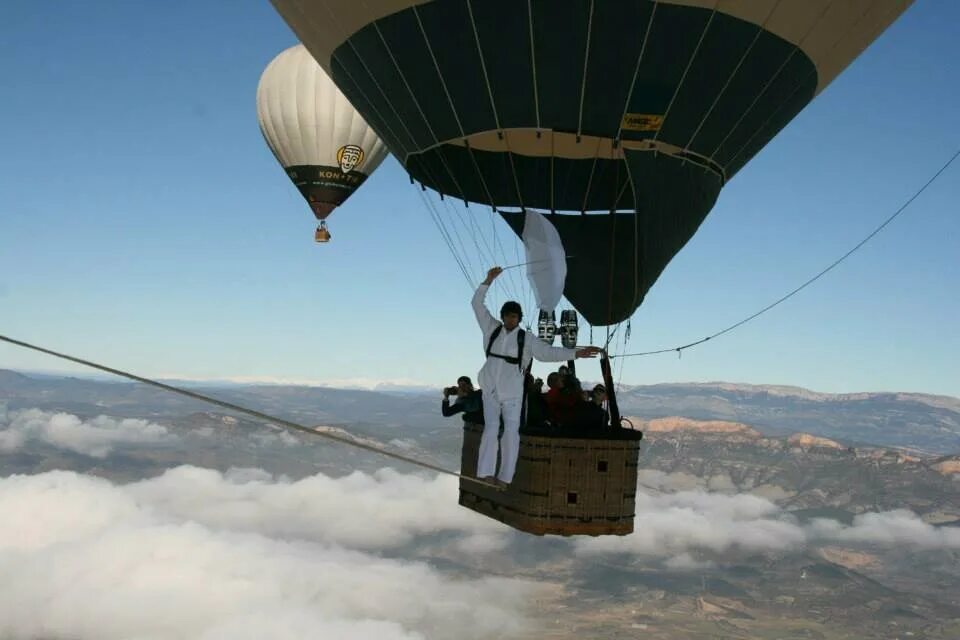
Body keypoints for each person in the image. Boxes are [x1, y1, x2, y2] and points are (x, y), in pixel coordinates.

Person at [472, 266, 602, 487]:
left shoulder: (527, 339)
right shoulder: (491, 329)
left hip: (512, 393)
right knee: (491, 429)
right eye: (507, 315)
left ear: (519, 318)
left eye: (514, 316)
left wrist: (575, 353)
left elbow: (548, 353)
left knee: (511, 433)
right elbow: (477, 304)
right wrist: (488, 281)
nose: (510, 319)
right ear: (502, 316)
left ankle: (504, 477)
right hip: (490, 389)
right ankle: (485, 473)